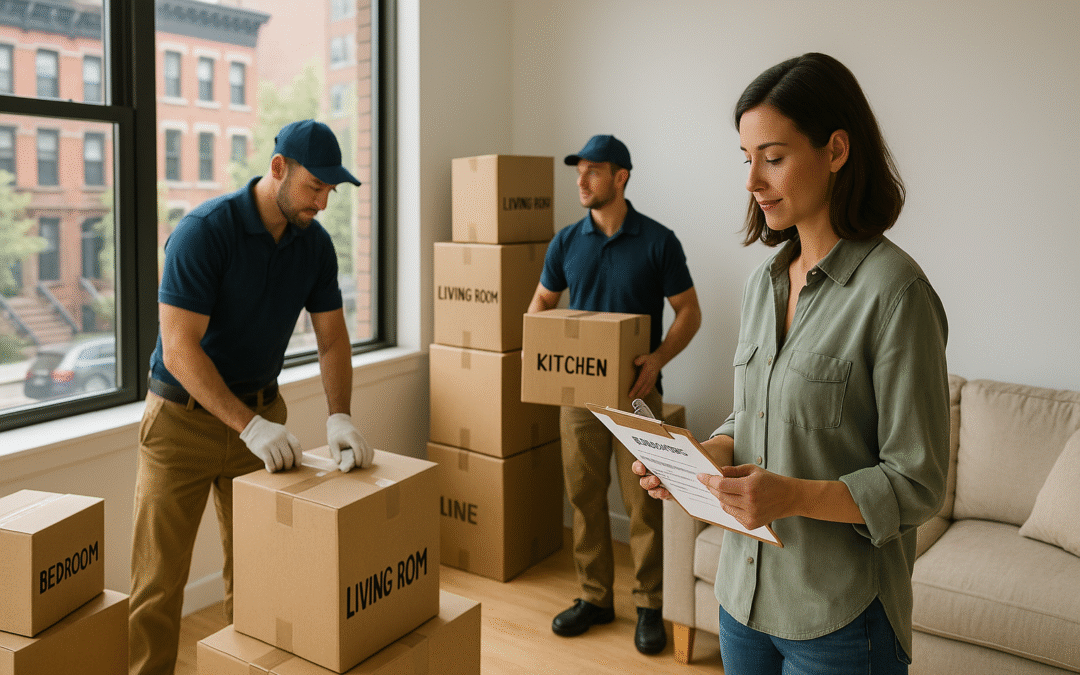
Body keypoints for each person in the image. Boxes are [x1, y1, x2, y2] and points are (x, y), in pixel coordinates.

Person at [635, 53, 950, 674]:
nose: (753, 180)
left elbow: (917, 483)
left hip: (841, 617)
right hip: (742, 600)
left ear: (836, 150)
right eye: (746, 159)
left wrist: (790, 497)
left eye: (773, 158)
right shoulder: (763, 284)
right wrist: (709, 456)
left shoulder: (897, 294)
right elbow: (755, 412)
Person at [129, 119, 374, 675]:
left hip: (262, 417)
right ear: (279, 169)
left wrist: (340, 416)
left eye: (331, 192)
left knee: (262, 578)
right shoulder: (204, 231)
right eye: (315, 188)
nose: (323, 203)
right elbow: (179, 350)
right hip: (181, 426)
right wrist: (249, 425)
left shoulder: (314, 246)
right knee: (158, 586)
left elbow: (332, 337)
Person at [529, 134, 702, 655]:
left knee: (644, 504)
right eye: (577, 171)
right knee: (584, 498)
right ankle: (595, 597)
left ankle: (649, 604)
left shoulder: (658, 240)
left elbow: (689, 311)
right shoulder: (565, 242)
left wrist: (657, 359)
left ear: (621, 177)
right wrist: (543, 343)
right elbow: (539, 305)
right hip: (578, 396)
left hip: (637, 396)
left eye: (593, 171)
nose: (581, 181)